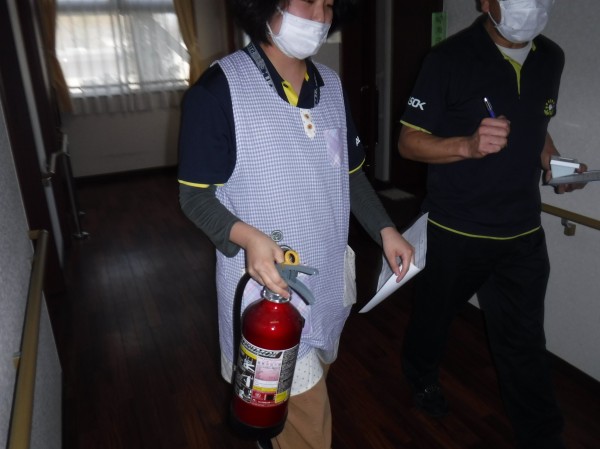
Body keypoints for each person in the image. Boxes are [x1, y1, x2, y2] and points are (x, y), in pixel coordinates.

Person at [177, 1, 414, 448]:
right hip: (268, 297)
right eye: (308, 0)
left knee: (286, 407)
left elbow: (350, 175)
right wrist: (248, 238)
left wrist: (385, 229)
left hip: (327, 281)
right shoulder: (219, 91)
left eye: (328, 4)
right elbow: (194, 197)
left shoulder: (332, 86)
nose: (321, 16)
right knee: (307, 423)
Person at [397, 1, 587, 448]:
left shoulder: (551, 57)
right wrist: (466, 145)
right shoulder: (447, 59)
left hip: (522, 233)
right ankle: (421, 378)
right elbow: (408, 142)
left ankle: (542, 437)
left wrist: (554, 164)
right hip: (456, 230)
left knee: (524, 341)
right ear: (485, 1)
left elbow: (536, 124)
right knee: (433, 321)